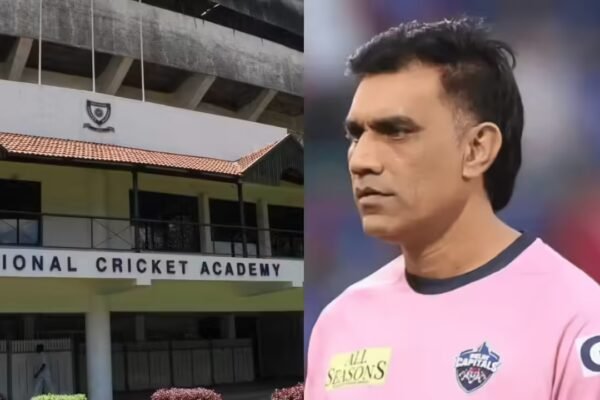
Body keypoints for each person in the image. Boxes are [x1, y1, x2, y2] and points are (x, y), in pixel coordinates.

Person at [305, 17, 600, 399]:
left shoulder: (576, 319)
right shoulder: (339, 323)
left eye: (397, 132)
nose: (361, 161)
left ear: (477, 149)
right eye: (356, 135)